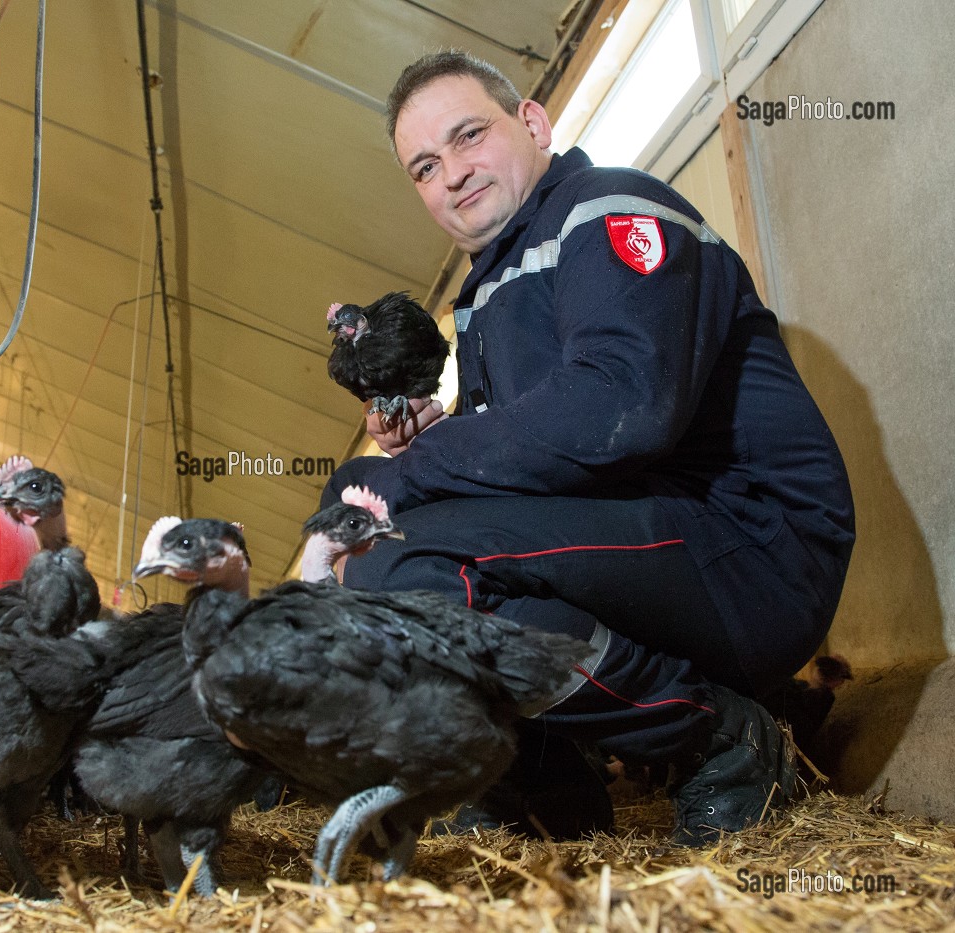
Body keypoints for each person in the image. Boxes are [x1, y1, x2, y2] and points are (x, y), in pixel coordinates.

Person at [322, 50, 855, 844]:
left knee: (402, 565)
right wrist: (436, 443)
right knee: (379, 545)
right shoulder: (491, 289)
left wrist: (420, 470)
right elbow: (545, 449)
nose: (453, 174)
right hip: (660, 541)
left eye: (469, 136)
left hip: (752, 553)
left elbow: (620, 409)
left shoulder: (606, 210)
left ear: (533, 122)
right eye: (426, 167)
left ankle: (720, 737)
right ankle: (547, 790)